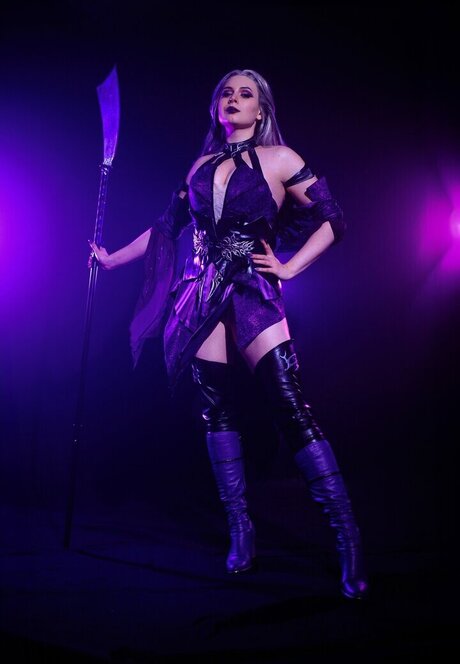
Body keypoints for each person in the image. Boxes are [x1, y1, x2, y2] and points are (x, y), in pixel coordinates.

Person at [89, 68, 369, 600]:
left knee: (289, 404)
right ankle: (241, 528)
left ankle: (347, 538)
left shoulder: (280, 158)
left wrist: (288, 268)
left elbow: (333, 218)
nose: (234, 99)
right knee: (215, 408)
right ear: (216, 107)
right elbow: (165, 229)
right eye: (226, 92)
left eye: (246, 94)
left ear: (261, 110)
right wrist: (110, 260)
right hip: (201, 293)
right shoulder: (200, 166)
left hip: (252, 290)